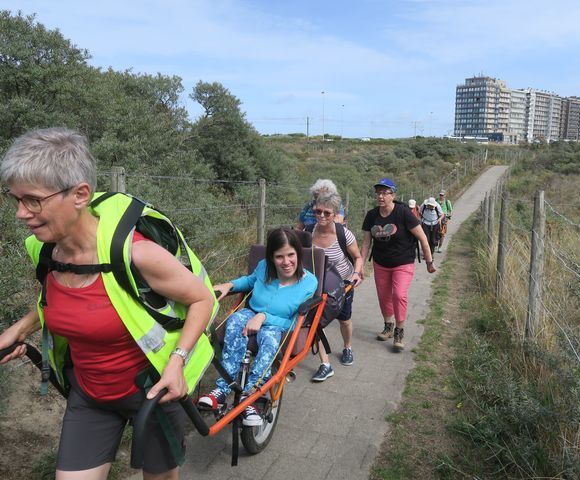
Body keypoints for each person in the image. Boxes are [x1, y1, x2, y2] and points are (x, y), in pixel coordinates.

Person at [0, 128, 216, 480]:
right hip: (88, 395)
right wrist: (21, 328)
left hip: (153, 392)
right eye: (16, 200)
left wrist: (178, 362)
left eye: (33, 200)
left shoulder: (136, 253)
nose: (21, 214)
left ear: (80, 194)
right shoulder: (44, 250)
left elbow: (202, 299)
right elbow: (59, 302)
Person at [198, 228, 317, 424]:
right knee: (235, 320)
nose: (286, 262)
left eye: (291, 255)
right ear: (271, 257)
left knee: (269, 340)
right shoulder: (263, 267)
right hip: (250, 313)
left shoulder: (308, 282)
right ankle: (223, 388)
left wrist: (263, 316)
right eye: (279, 257)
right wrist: (230, 285)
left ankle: (251, 396)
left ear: (298, 253)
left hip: (279, 323)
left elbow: (293, 320)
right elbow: (248, 281)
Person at [360, 178, 436, 352]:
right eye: (378, 192)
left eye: (384, 193)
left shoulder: (403, 213)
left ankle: (399, 331)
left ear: (393, 195)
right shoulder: (372, 215)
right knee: (384, 296)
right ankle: (388, 325)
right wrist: (360, 266)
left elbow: (423, 238)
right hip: (381, 262)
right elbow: (366, 243)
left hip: (403, 262)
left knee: (399, 295)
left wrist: (429, 262)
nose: (380, 196)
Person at [307, 192, 364, 382]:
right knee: (314, 323)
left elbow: (357, 257)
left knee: (344, 320)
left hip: (343, 286)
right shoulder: (308, 233)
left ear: (335, 214)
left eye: (327, 213)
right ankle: (325, 364)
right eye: (318, 211)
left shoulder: (343, 234)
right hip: (316, 287)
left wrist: (356, 273)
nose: (321, 216)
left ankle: (347, 347)